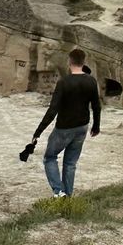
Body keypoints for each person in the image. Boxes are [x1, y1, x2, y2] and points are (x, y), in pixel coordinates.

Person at [32, 48, 101, 197]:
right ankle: (67, 196)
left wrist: (38, 132)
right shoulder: (91, 81)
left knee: (50, 157)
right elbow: (96, 106)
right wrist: (96, 126)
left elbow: (53, 110)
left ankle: (58, 191)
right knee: (70, 163)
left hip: (64, 128)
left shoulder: (63, 82)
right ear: (83, 62)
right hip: (82, 127)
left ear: (69, 61)